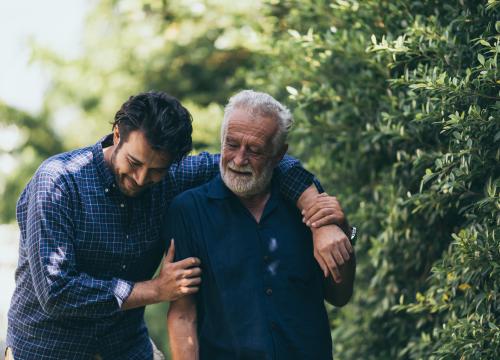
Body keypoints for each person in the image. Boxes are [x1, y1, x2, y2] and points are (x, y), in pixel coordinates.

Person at [5, 91, 350, 359]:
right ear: (116, 135)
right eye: (134, 162)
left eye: (155, 170)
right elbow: (56, 292)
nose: (141, 179)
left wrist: (320, 217)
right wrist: (156, 290)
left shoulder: (172, 177)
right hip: (47, 350)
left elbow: (270, 163)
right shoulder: (58, 183)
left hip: (125, 351)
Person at [166, 90, 356, 359]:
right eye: (231, 145)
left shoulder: (307, 203)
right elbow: (184, 314)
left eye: (254, 150)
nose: (239, 160)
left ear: (279, 155)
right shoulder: (188, 210)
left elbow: (339, 296)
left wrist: (343, 232)